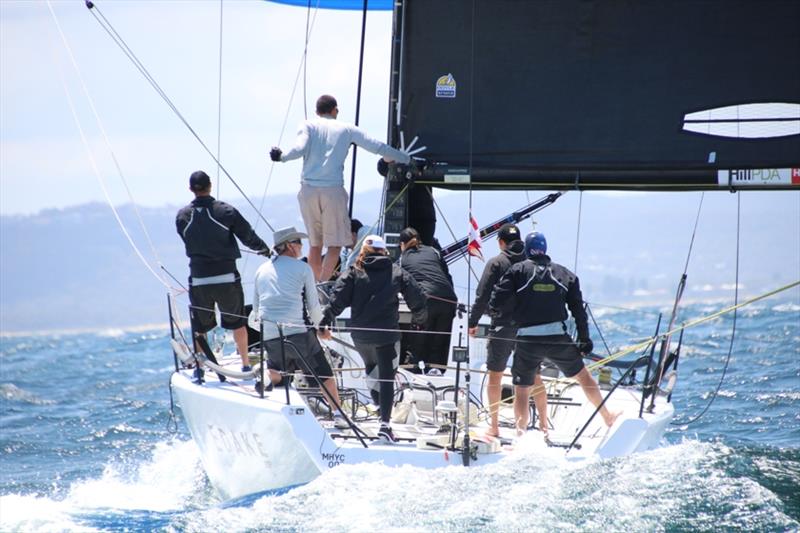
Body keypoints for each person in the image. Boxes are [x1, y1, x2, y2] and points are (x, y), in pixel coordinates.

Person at [489, 231, 621, 435]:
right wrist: (585, 339)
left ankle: (520, 435)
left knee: (523, 389)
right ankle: (607, 415)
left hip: (527, 340)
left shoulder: (518, 270)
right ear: (545, 249)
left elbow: (496, 300)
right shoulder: (565, 274)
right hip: (558, 339)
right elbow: (578, 311)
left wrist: (499, 312)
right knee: (584, 377)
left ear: (526, 248)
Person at [270, 94, 411, 283]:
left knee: (314, 245)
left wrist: (282, 156)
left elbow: (299, 147)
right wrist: (408, 159)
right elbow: (377, 147)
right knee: (335, 246)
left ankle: (314, 288)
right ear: (335, 110)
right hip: (332, 191)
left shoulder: (307, 125)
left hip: (308, 190)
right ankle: (323, 286)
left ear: (316, 111)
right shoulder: (347, 128)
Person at [319, 234, 427, 443]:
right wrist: (421, 319)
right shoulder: (396, 271)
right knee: (386, 376)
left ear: (364, 252)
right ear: (384, 251)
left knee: (371, 368)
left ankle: (379, 409)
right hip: (386, 333)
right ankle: (385, 426)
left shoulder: (354, 271)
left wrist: (324, 321)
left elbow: (337, 298)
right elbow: (417, 297)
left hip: (360, 334)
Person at [175, 170, 270, 372]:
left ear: (191, 189)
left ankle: (201, 366)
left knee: (200, 328)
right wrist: (265, 250)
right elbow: (248, 236)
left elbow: (187, 239)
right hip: (227, 278)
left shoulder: (182, 216)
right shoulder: (225, 211)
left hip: (199, 279)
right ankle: (245, 364)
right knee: (237, 323)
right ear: (211, 185)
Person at [250, 226, 345, 427]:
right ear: (289, 246)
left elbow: (256, 311)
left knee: (280, 372)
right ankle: (338, 415)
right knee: (324, 374)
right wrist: (322, 329)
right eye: (299, 242)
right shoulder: (303, 269)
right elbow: (314, 307)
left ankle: (266, 375)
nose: (302, 246)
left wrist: (269, 330)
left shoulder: (260, 270)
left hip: (270, 335)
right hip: (298, 334)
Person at [468, 223, 549, 437]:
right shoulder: (529, 263)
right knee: (535, 376)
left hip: (503, 325)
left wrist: (473, 322)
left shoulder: (496, 263)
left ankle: (494, 427)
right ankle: (543, 426)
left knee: (495, 375)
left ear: (501, 243)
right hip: (529, 328)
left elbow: (482, 295)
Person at [397, 227, 457, 374]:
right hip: (449, 300)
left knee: (418, 343)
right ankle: (437, 375)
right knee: (439, 343)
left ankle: (413, 376)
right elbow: (447, 277)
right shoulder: (434, 251)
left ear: (402, 244)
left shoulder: (403, 258)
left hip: (428, 300)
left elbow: (401, 282)